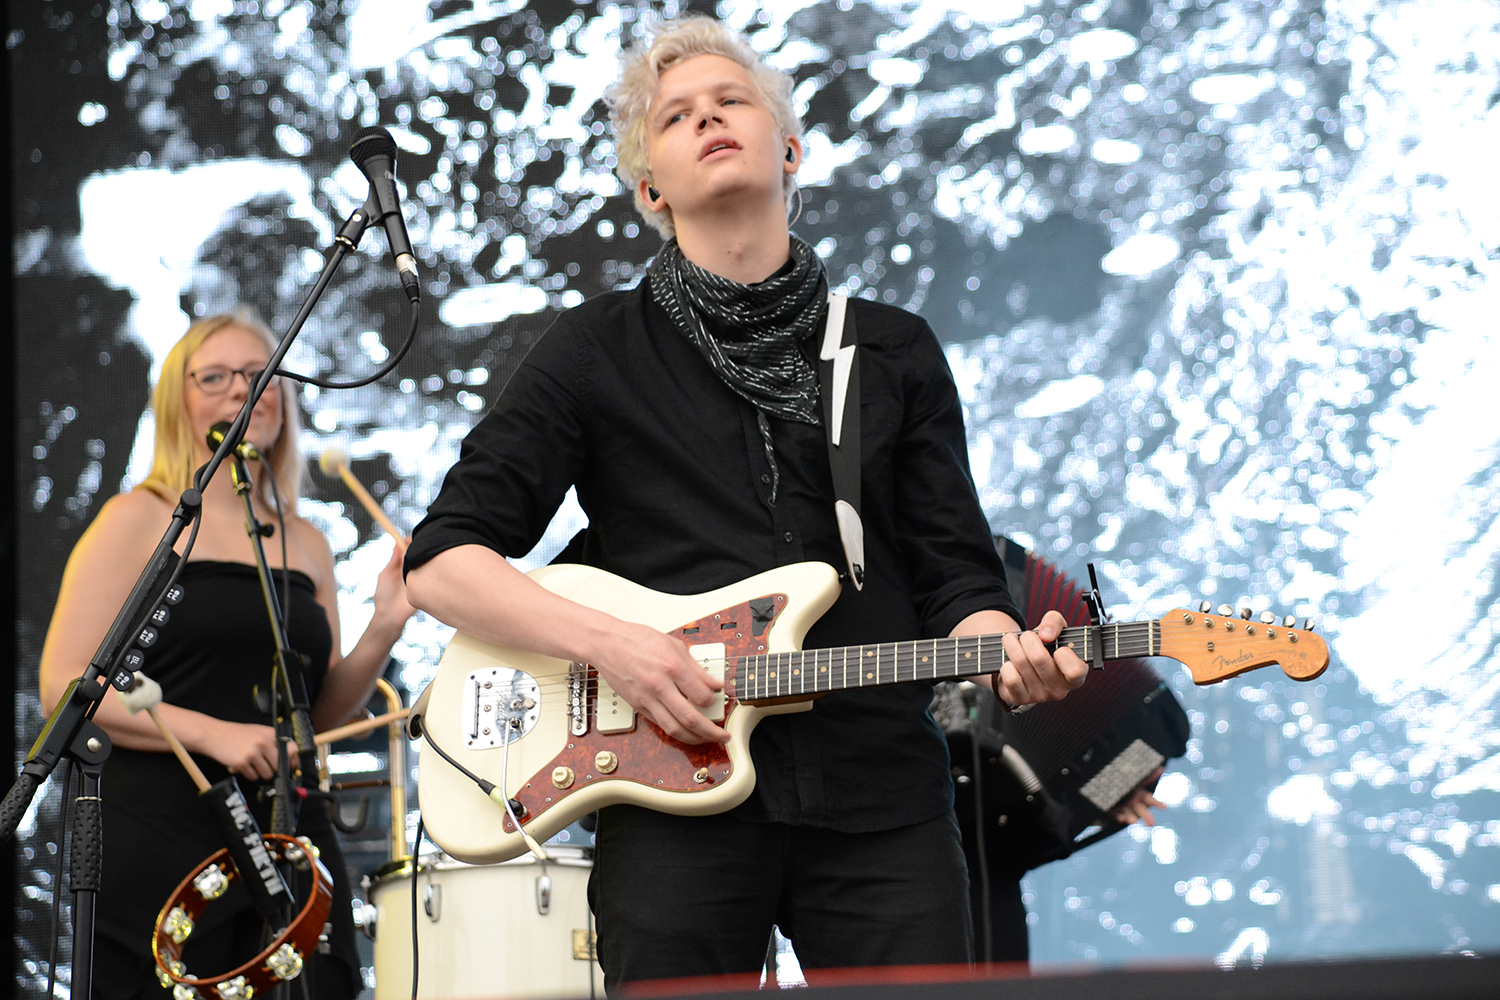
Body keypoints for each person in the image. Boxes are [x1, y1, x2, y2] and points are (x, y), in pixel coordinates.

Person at [403, 15, 1088, 990]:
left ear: (791, 147)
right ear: (650, 187)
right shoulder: (589, 351)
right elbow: (443, 562)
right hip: (667, 806)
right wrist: (616, 644)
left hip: (880, 793)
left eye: (733, 101)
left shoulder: (891, 350)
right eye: (677, 116)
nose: (709, 118)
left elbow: (954, 574)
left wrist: (1007, 649)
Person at [39, 310, 415, 998]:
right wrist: (217, 735)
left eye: (261, 374)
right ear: (176, 404)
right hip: (161, 832)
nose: (245, 390)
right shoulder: (140, 517)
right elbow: (64, 683)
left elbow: (317, 718)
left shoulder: (306, 541)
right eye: (215, 376)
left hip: (287, 830)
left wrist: (387, 623)